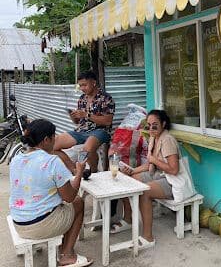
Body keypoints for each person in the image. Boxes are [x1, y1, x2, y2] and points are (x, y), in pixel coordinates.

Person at [9, 119, 92, 267]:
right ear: (46, 139)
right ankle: (67, 255)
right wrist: (79, 173)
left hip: (19, 223)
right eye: (54, 137)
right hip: (40, 225)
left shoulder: (16, 159)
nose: (56, 140)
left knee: (61, 204)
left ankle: (63, 246)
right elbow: (69, 197)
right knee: (78, 202)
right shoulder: (52, 161)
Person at [113, 110, 179, 243]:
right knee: (128, 181)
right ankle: (128, 219)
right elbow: (149, 164)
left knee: (144, 192)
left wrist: (154, 160)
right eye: (148, 125)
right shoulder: (154, 138)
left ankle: (148, 237)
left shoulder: (167, 140)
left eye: (155, 124)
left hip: (171, 181)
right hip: (157, 175)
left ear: (163, 124)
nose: (151, 128)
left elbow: (174, 169)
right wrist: (132, 171)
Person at [54, 71, 115, 173]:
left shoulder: (106, 98)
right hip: (81, 131)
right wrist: (73, 115)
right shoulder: (82, 98)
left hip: (100, 131)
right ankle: (73, 169)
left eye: (84, 85)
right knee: (54, 144)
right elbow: (77, 122)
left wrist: (87, 115)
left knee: (87, 150)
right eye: (80, 85)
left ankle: (94, 172)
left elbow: (108, 121)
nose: (82, 88)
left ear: (93, 82)